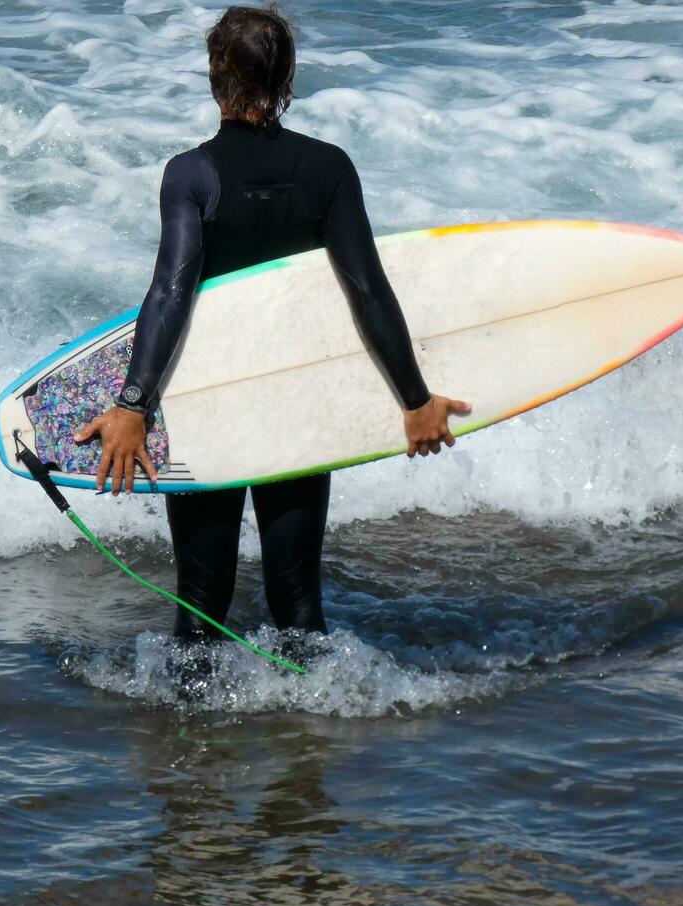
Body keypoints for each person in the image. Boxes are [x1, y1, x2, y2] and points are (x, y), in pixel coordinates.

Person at [75, 4, 468, 664]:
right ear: (287, 78)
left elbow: (171, 291)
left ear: (213, 77)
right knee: (298, 602)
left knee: (202, 604)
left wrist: (134, 405)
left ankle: (190, 757)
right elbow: (366, 288)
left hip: (210, 398)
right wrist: (414, 400)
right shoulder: (329, 169)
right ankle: (309, 749)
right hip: (295, 400)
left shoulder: (191, 174)